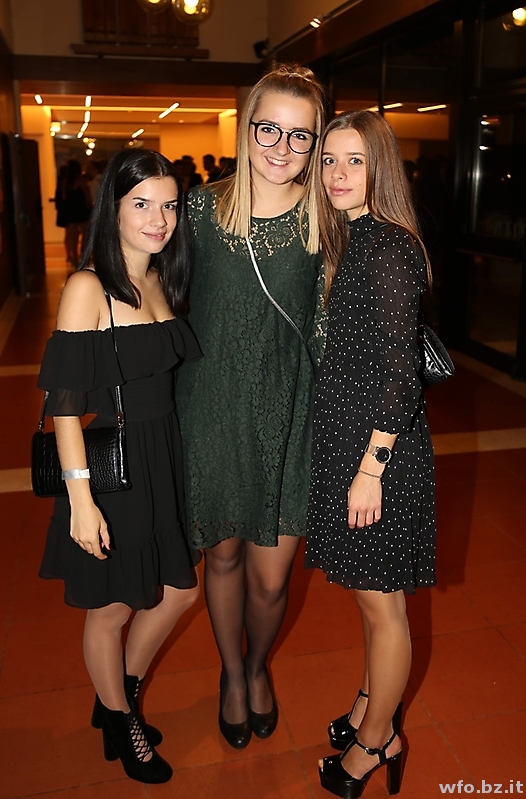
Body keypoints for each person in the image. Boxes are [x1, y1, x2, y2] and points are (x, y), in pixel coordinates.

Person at [37, 149, 201, 784]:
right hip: (112, 469)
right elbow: (65, 405)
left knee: (179, 591)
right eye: (142, 204)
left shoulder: (160, 278)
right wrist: (81, 502)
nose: (158, 220)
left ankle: (118, 696)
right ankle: (119, 716)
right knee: (110, 609)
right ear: (114, 208)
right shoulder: (88, 288)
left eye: (169, 206)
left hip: (161, 456)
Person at [176, 64, 326, 749]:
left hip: (290, 413)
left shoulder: (324, 216)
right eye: (270, 128)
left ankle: (259, 659)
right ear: (246, 128)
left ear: (315, 142)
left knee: (271, 580)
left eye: (300, 135)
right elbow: (154, 288)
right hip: (211, 408)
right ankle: (233, 675)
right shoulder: (200, 210)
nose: (282, 147)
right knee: (224, 559)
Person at [306, 110, 436, 798]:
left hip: (378, 455)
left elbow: (400, 374)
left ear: (380, 168)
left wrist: (369, 471)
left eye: (354, 161)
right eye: (329, 159)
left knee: (384, 608)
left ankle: (377, 741)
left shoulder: (388, 246)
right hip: (351, 444)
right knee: (368, 597)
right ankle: (368, 704)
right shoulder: (354, 237)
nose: (337, 173)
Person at [61, 158, 92, 267]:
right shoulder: (81, 181)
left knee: (72, 235)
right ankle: (83, 254)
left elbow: (64, 197)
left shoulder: (66, 182)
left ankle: (73, 256)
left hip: (71, 210)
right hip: (81, 209)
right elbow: (87, 196)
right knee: (85, 233)